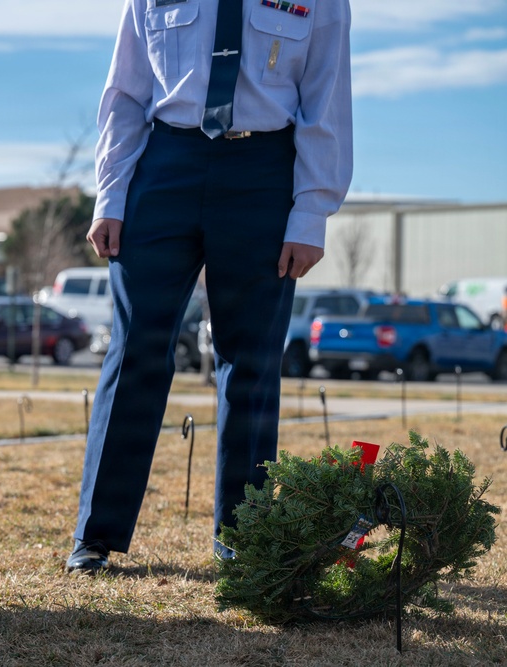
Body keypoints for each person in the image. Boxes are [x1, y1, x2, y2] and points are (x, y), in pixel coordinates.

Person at [66, 0, 353, 572]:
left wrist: (311, 213)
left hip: (264, 172)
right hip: (165, 160)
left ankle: (242, 537)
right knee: (135, 352)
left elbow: (327, 97)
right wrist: (111, 194)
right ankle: (95, 537)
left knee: (250, 362)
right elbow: (125, 92)